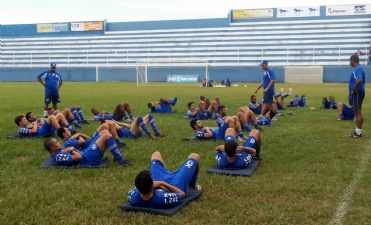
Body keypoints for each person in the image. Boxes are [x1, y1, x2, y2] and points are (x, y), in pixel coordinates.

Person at [127, 151, 200, 208]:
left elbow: (139, 187)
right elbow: (182, 194)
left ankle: (165, 171)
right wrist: (162, 183)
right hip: (176, 185)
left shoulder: (133, 197)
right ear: (151, 185)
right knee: (194, 156)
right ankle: (192, 185)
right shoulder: (162, 199)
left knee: (156, 154)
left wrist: (157, 184)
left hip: (157, 181)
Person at [44, 129, 127, 166]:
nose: (59, 143)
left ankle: (118, 158)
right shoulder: (58, 157)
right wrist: (72, 149)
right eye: (56, 143)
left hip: (86, 152)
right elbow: (79, 157)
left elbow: (77, 152)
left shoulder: (59, 151)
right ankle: (121, 160)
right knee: (106, 136)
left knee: (104, 132)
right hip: (89, 159)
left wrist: (74, 149)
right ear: (52, 147)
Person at [348, 55, 366, 137]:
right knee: (357, 111)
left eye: (350, 61)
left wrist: (354, 90)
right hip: (360, 92)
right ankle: (357, 131)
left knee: (358, 112)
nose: (349, 63)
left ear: (352, 60)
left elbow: (359, 80)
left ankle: (358, 133)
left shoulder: (357, 69)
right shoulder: (361, 68)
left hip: (357, 93)